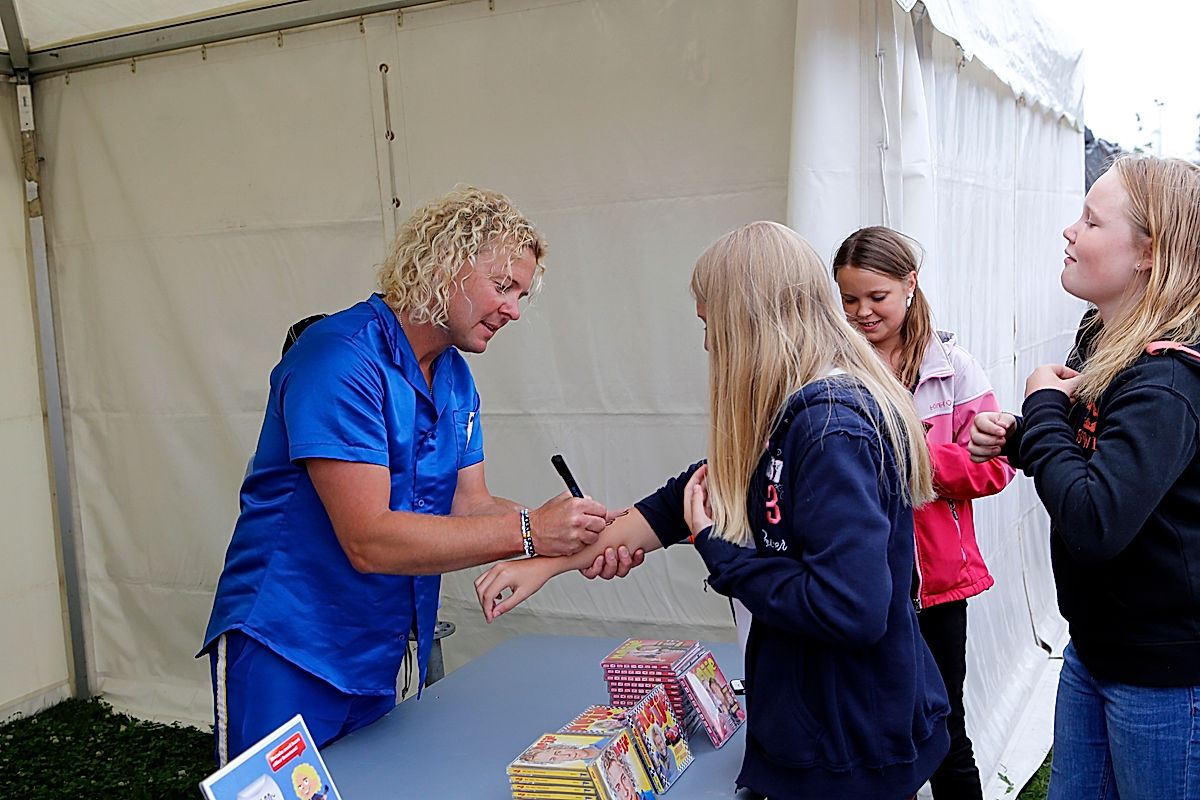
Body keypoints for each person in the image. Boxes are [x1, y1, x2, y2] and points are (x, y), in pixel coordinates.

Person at [474, 220, 951, 800]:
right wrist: (548, 564)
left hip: (849, 746)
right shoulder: (790, 410)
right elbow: (686, 501)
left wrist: (719, 553)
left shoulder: (831, 429)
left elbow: (852, 609)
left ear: (747, 322)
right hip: (814, 728)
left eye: (710, 325)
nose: (706, 344)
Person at [199, 187, 610, 764]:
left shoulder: (455, 376)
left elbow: (470, 506)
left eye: (521, 293)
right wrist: (531, 534)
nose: (514, 309)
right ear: (444, 266)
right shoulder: (339, 359)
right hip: (289, 646)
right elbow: (368, 539)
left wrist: (580, 531)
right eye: (502, 287)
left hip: (380, 647)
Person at [968, 155, 1200, 800]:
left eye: (1091, 221)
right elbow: (1099, 459)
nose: (1069, 231)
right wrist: (1023, 439)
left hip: (1164, 674)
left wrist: (1042, 408)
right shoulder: (1103, 334)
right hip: (1096, 645)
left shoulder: (1169, 379)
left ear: (1148, 253)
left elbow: (1094, 520)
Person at [832, 226, 1014, 800]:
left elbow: (995, 469)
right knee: (874, 731)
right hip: (859, 585)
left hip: (936, 590)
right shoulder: (829, 368)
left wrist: (908, 456)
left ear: (910, 286)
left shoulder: (955, 368)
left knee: (945, 731)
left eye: (876, 297)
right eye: (849, 299)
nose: (862, 312)